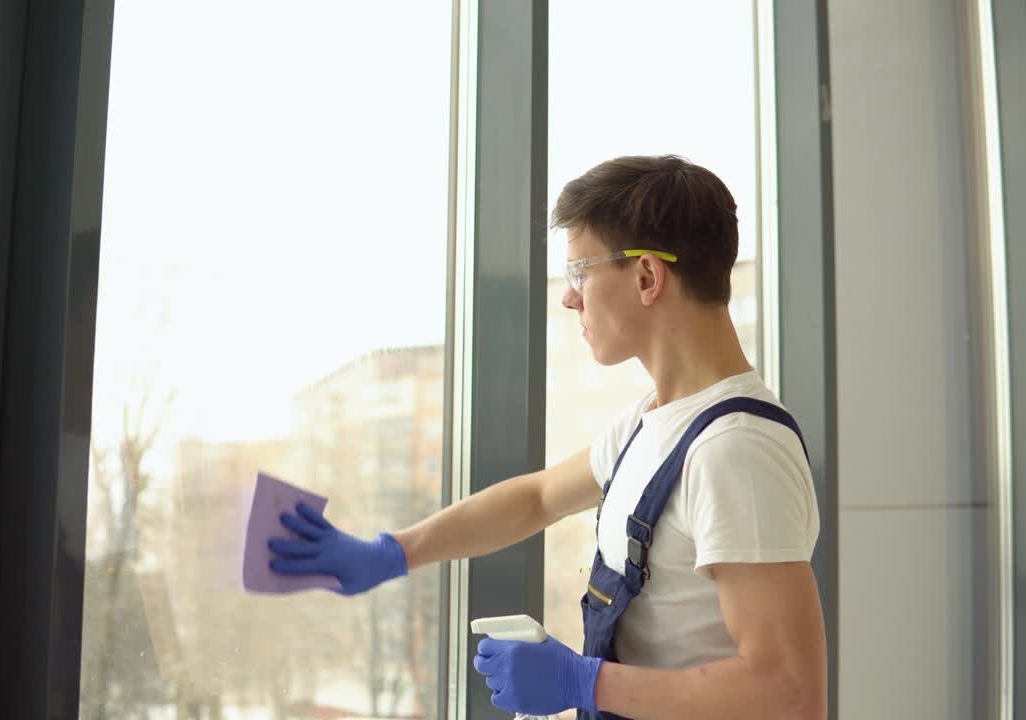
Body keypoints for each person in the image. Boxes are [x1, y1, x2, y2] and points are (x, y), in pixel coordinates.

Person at [268, 155, 827, 719]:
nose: (569, 296)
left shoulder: (736, 450)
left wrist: (585, 683)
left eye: (581, 272)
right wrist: (391, 554)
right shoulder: (651, 423)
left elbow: (788, 692)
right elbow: (535, 498)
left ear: (647, 277)